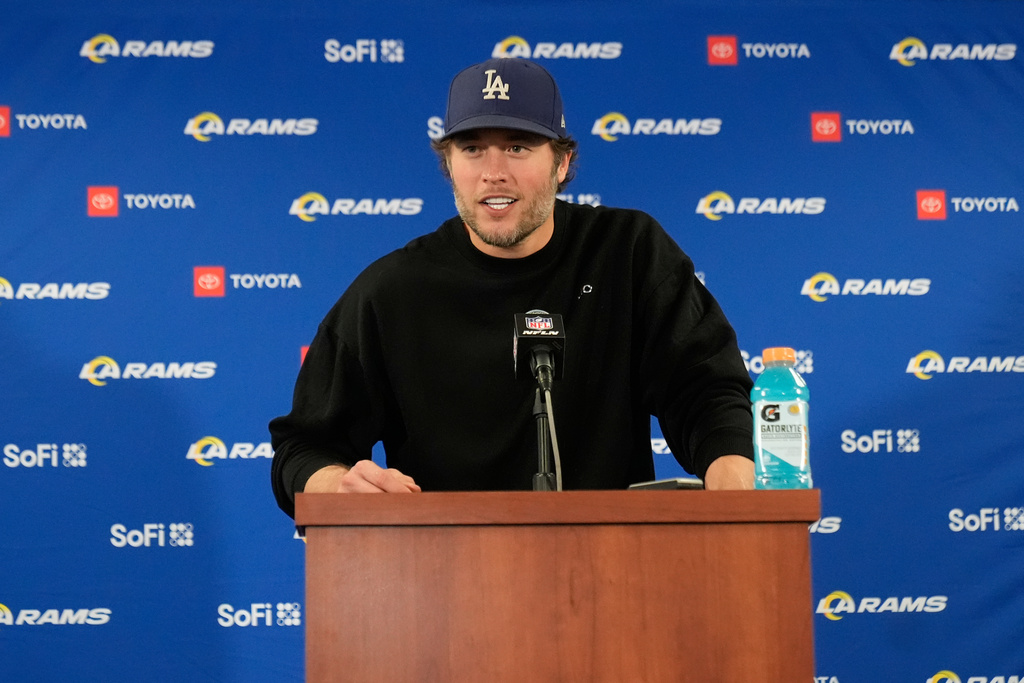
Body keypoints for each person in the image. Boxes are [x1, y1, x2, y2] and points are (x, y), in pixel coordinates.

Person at [269, 57, 754, 518]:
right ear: (450, 165)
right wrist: (338, 484)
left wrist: (732, 476)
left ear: (562, 163)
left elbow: (705, 392)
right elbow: (304, 448)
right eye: (472, 148)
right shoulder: (393, 290)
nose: (493, 171)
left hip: (609, 569)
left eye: (518, 146)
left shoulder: (627, 253)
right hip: (440, 574)